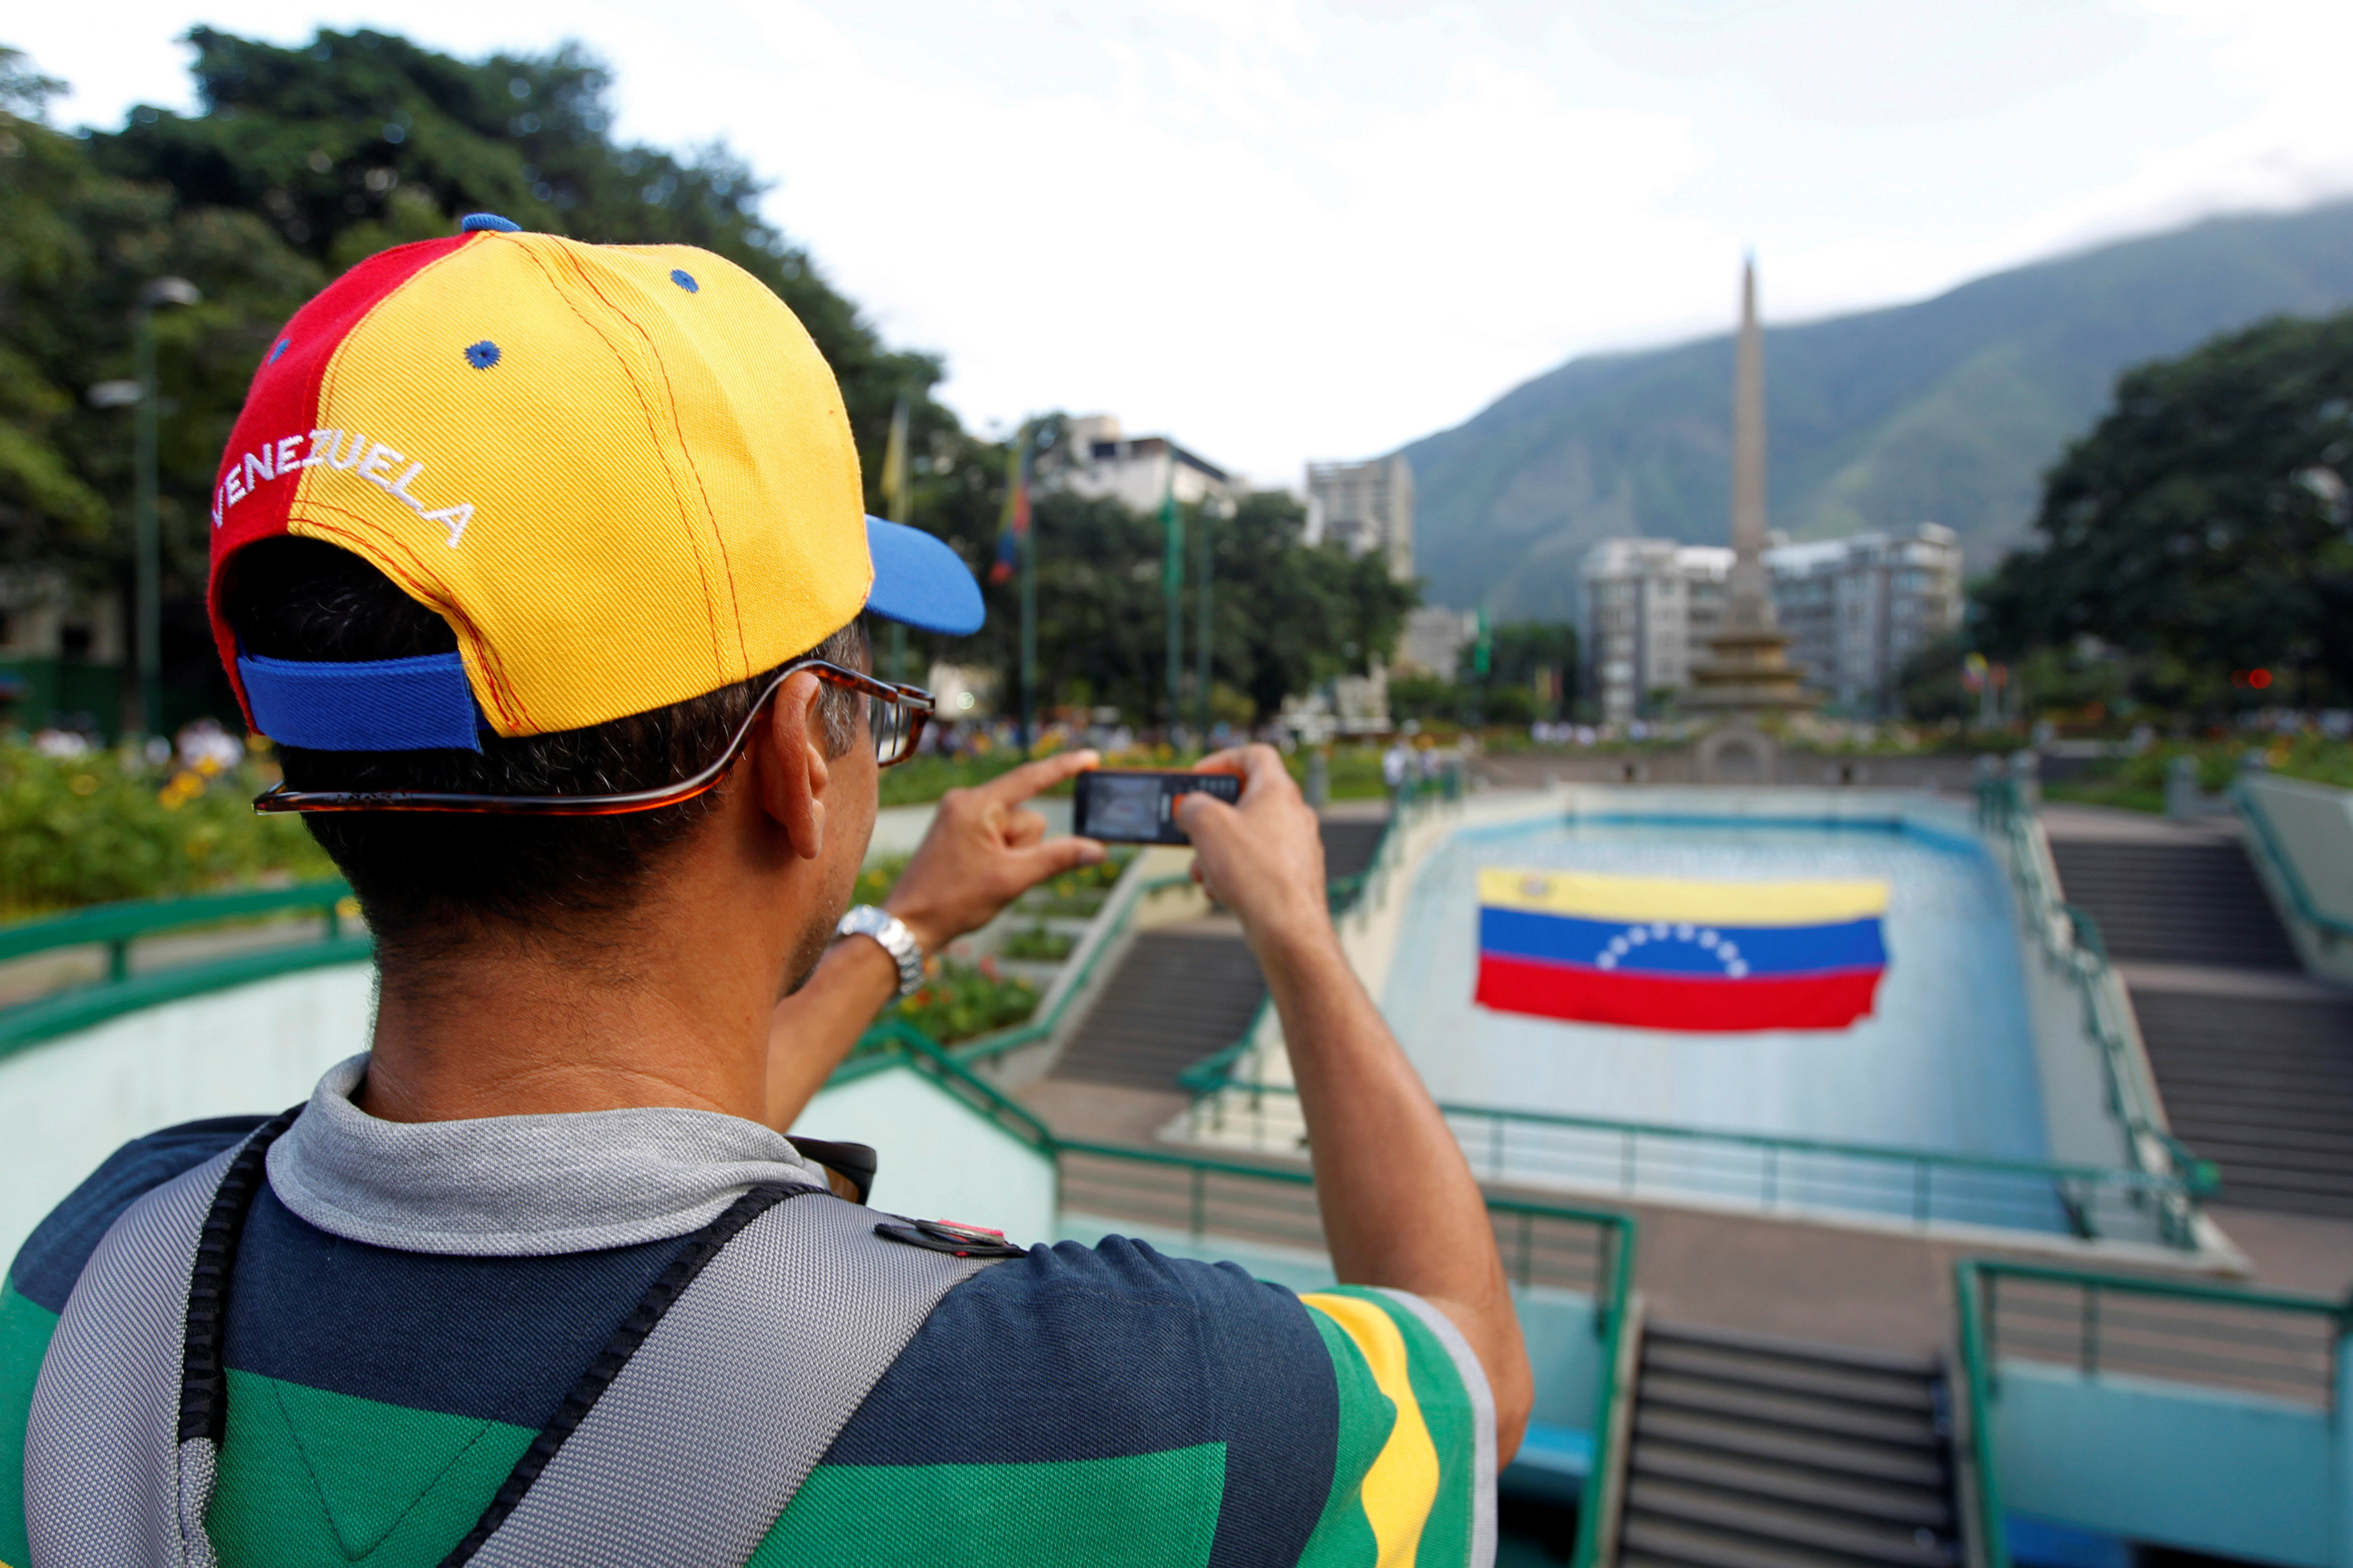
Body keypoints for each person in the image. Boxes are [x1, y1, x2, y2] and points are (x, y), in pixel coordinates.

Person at [1, 219, 1529, 1567]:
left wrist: (906, 931)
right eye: (872, 698)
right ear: (806, 756)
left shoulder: (94, 1279)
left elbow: (598, 1157)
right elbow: (1468, 1376)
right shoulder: (1118, 1406)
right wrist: (1296, 934)